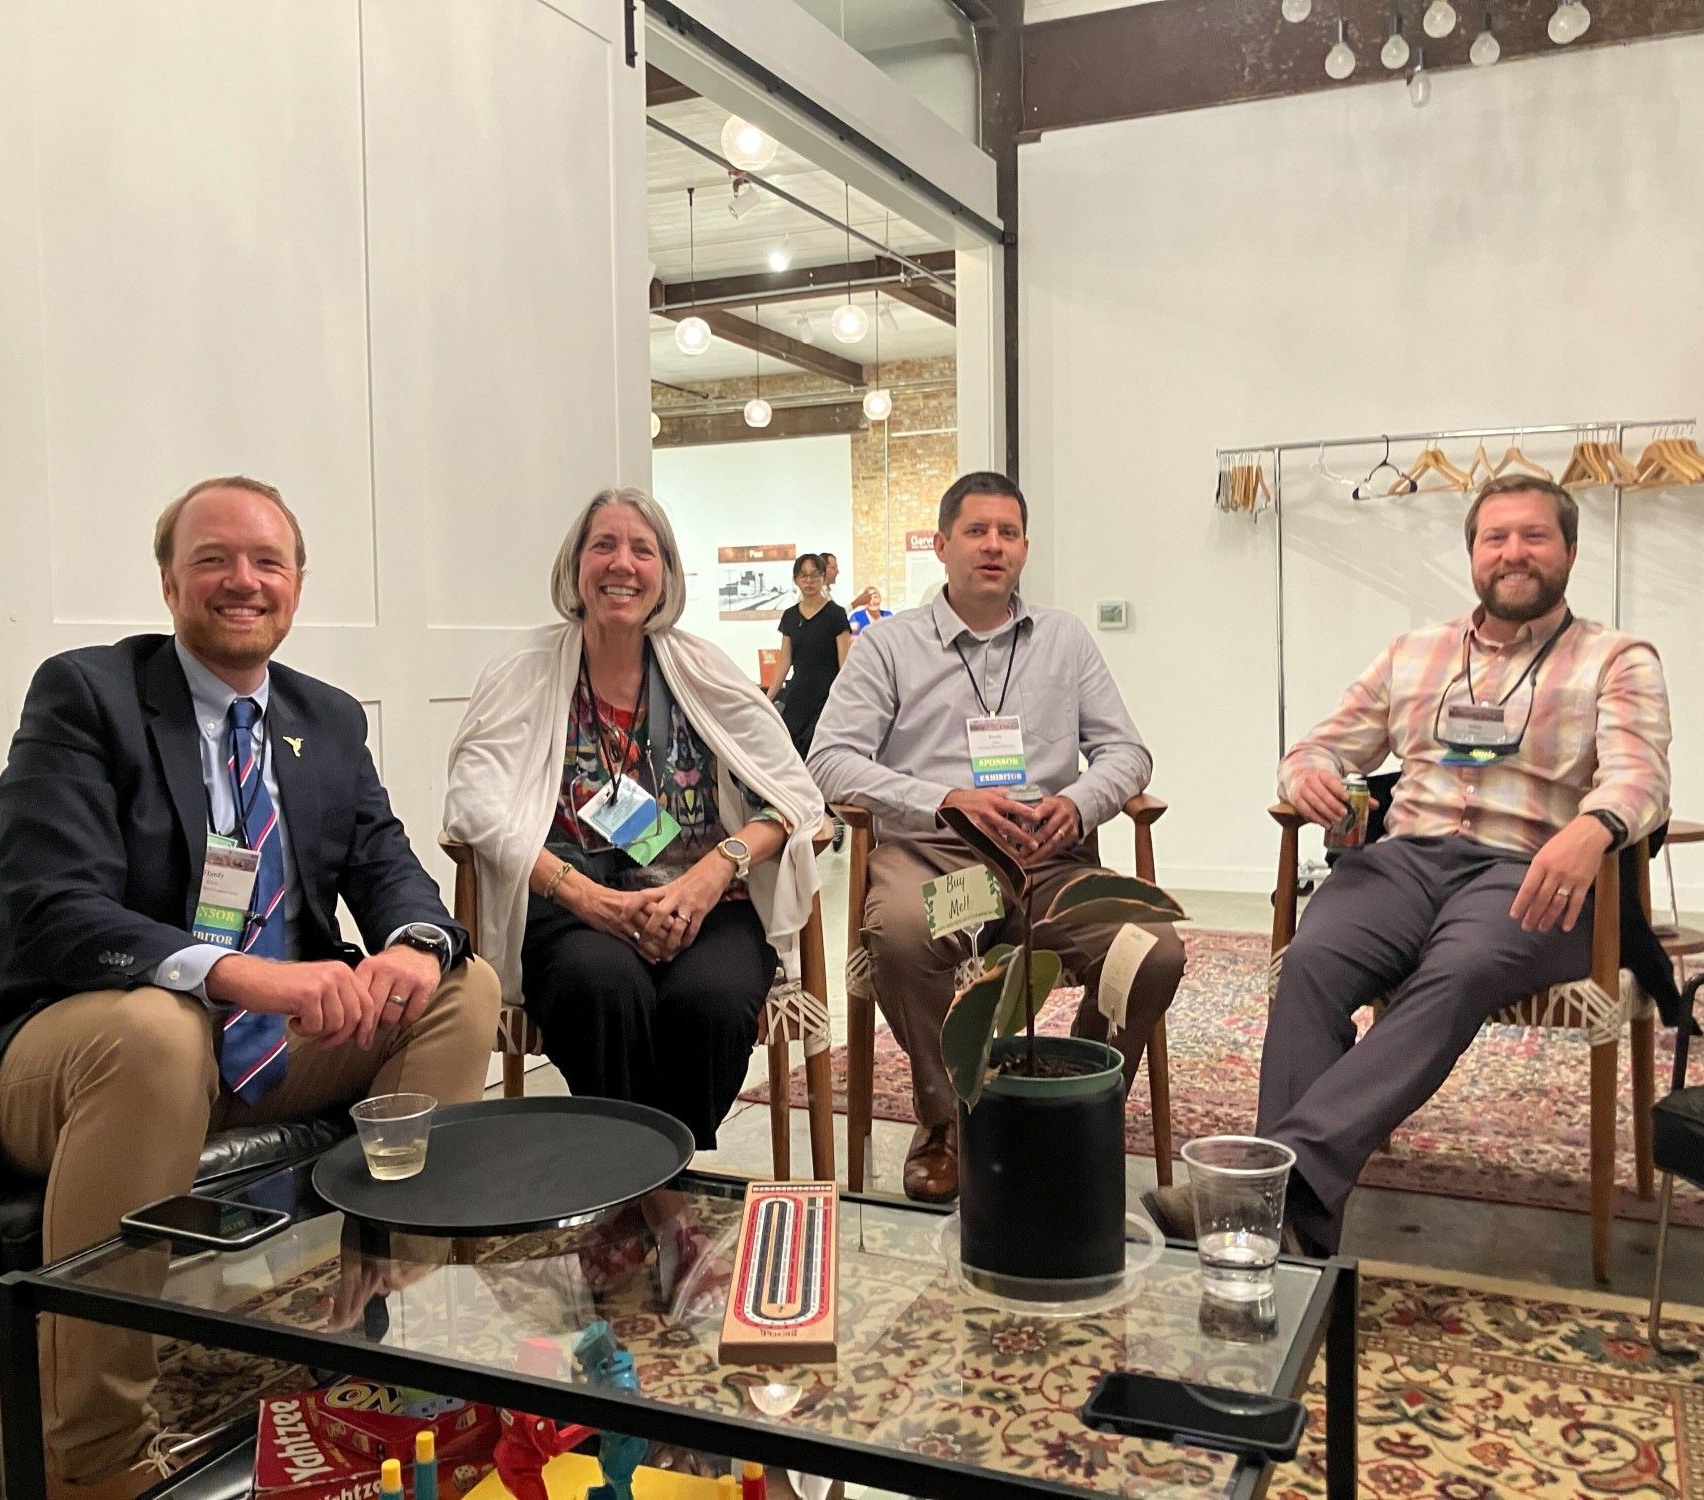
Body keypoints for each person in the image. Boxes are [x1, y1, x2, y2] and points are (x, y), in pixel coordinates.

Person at [0, 476, 499, 1498]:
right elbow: (53, 909)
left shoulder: (323, 721)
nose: (241, 581)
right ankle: (93, 1457)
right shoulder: (86, 694)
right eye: (214, 559)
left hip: (251, 1047)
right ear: (169, 582)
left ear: (297, 585)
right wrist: (248, 975)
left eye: (267, 561)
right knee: (159, 1034)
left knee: (463, 991)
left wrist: (414, 947)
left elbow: (391, 873)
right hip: (68, 1050)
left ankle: (386, 1329)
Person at [1259, 473, 1670, 1256]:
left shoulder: (1616, 658)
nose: (1514, 553)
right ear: (1473, 554)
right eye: (1495, 538)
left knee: (1462, 969)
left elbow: (1641, 775)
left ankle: (1276, 1188)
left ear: (1571, 551)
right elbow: (1321, 743)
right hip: (1403, 862)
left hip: (1530, 869)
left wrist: (1595, 827)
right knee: (1311, 959)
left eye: (1534, 536)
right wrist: (1305, 772)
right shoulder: (1415, 652)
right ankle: (1294, 1219)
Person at [807, 471, 1186, 1203]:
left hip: (1051, 863)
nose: (993, 546)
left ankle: (1071, 1100)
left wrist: (1076, 804)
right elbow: (829, 760)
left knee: (1151, 949)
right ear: (943, 546)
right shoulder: (890, 647)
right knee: (909, 930)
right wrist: (943, 798)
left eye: (1007, 533)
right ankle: (948, 1122)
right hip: (947, 863)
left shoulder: (1065, 640)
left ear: (1024, 549)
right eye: (976, 532)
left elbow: (1128, 753)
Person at [444, 488, 824, 1149]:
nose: (623, 564)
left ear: (666, 575)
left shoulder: (703, 671)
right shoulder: (523, 672)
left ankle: (643, 1182)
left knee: (708, 1002)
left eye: (642, 550)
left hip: (710, 903)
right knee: (603, 988)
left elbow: (793, 795)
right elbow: (476, 805)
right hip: (572, 907)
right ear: (576, 567)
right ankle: (662, 1197)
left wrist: (709, 877)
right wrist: (591, 900)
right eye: (604, 545)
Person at [765, 552, 852, 759]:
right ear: (796, 579)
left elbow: (845, 664)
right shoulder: (790, 616)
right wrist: (768, 699)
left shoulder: (835, 614)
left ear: (823, 577)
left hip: (827, 699)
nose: (809, 580)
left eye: (814, 575)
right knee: (791, 755)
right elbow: (784, 661)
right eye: (803, 575)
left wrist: (846, 700)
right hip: (797, 696)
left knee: (818, 754)